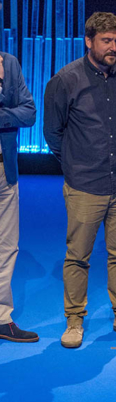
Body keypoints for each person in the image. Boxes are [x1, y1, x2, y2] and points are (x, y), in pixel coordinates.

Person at [43, 12, 116, 348]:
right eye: (106, 40)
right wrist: (77, 164)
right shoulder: (66, 80)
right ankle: (74, 320)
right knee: (78, 256)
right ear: (89, 41)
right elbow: (53, 132)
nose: (113, 47)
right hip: (84, 185)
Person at [0, 52, 39, 343]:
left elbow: (29, 112)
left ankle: (2, 317)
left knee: (7, 245)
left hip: (5, 168)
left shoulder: (9, 62)